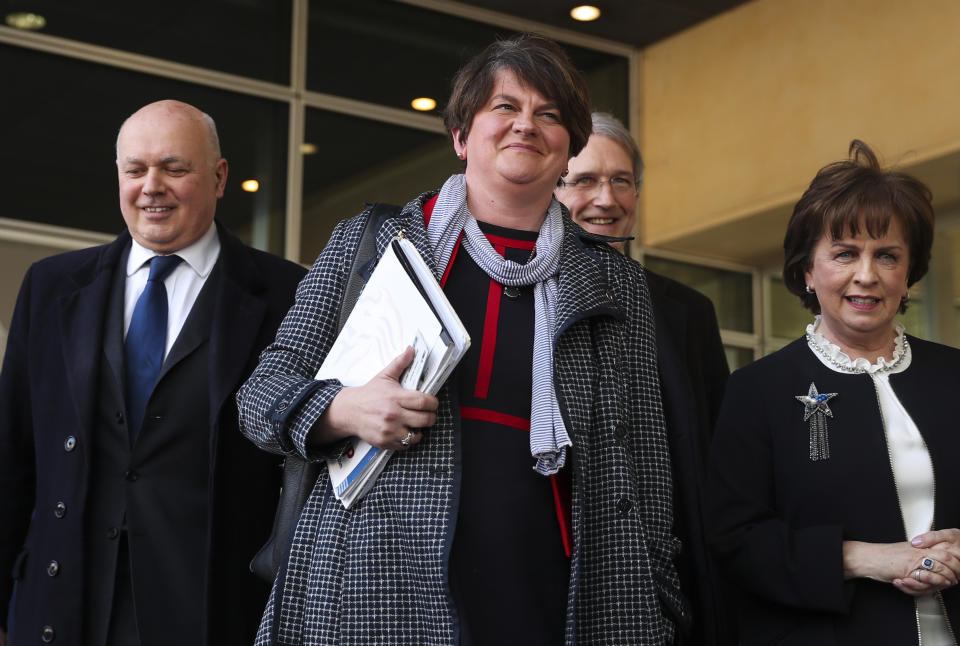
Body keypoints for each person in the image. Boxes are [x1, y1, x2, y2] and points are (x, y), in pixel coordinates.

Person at [238, 34, 685, 645]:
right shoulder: (375, 243)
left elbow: (648, 472)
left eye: (549, 115)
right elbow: (261, 396)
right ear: (460, 135)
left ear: (568, 149)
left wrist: (658, 609)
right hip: (375, 583)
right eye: (505, 107)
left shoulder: (616, 283)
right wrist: (343, 408)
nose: (526, 124)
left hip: (562, 592)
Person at [0, 100, 307, 646]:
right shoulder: (51, 287)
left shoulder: (289, 295)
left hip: (216, 613)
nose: (151, 187)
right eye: (135, 170)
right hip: (63, 606)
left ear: (219, 177)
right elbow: (11, 456)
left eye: (174, 168)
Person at [706, 140, 960, 644]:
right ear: (807, 270)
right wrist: (866, 558)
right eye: (845, 254)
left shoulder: (953, 375)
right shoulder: (757, 390)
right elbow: (734, 540)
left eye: (887, 256)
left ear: (908, 275)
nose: (866, 275)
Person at [555, 112, 734, 646]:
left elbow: (715, 454)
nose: (606, 200)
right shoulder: (525, 296)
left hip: (664, 588)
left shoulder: (687, 312)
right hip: (557, 570)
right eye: (584, 181)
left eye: (622, 181)